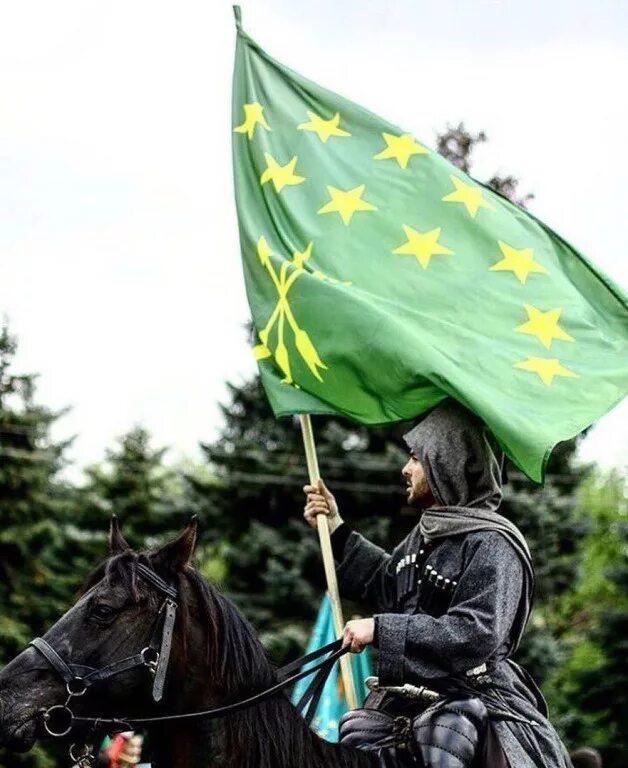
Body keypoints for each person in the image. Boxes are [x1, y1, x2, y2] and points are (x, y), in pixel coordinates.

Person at [303, 399, 572, 768]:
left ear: (447, 464)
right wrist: (334, 526)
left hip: (472, 697)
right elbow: (387, 583)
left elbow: (476, 632)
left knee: (446, 734)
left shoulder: (492, 543)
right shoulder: (426, 533)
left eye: (416, 458)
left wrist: (380, 629)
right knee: (354, 734)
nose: (405, 469)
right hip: (404, 698)